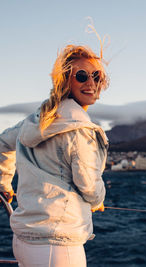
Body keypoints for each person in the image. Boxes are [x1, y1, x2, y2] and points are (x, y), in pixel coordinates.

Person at [0, 44, 109, 267]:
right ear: (65, 81)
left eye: (97, 76)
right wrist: (98, 200)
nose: (91, 82)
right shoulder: (80, 129)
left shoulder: (35, 121)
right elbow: (88, 184)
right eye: (81, 76)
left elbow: (2, 144)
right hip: (58, 246)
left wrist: (4, 184)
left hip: (24, 240)